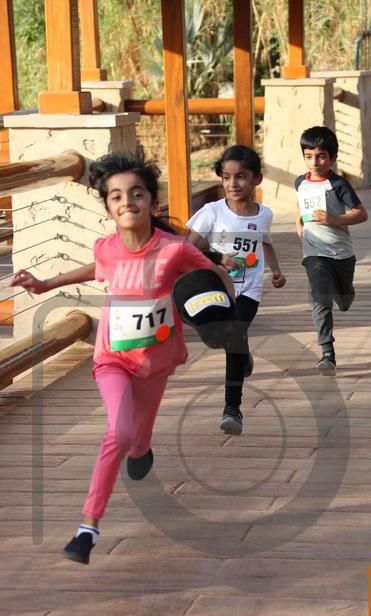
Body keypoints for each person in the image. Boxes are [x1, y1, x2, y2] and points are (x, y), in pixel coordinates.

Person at [11, 150, 234, 564]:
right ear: (108, 208)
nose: (127, 201)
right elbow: (93, 267)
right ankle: (88, 528)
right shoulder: (107, 249)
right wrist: (45, 284)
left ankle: (141, 449)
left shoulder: (174, 250)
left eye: (136, 193)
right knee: (118, 430)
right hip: (112, 359)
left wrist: (226, 316)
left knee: (136, 437)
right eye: (116, 196)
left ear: (152, 201)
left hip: (156, 362)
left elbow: (214, 275)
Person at [186, 145, 286, 435]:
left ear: (257, 179)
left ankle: (232, 408)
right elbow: (187, 249)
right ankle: (243, 354)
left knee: (234, 337)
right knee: (227, 337)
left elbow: (265, 243)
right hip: (218, 290)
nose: (233, 184)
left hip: (249, 290)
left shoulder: (264, 215)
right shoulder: (212, 212)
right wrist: (216, 258)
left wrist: (276, 270)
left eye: (241, 176)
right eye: (226, 177)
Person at [295, 126, 368, 376]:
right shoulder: (300, 182)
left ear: (333, 158)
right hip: (313, 253)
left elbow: (361, 214)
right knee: (320, 297)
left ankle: (346, 294)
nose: (314, 162)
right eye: (308, 156)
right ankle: (327, 353)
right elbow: (302, 208)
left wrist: (333, 219)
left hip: (341, 253)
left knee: (343, 301)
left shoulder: (338, 184)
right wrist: (300, 225)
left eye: (321, 156)